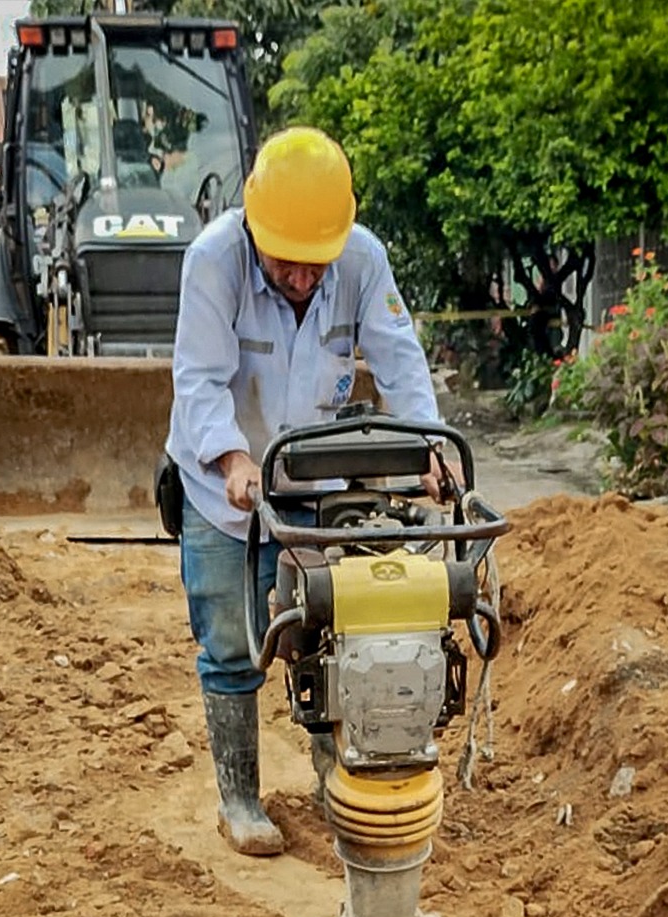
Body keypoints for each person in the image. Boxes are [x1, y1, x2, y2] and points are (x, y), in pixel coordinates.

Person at [166, 127, 457, 857]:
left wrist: (430, 445)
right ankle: (239, 798)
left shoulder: (361, 259)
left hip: (315, 480)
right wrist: (233, 458)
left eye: (314, 264)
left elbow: (399, 357)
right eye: (286, 262)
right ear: (255, 229)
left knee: (330, 626)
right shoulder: (215, 262)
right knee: (232, 642)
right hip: (219, 486)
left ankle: (340, 782)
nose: (302, 278)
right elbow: (198, 379)